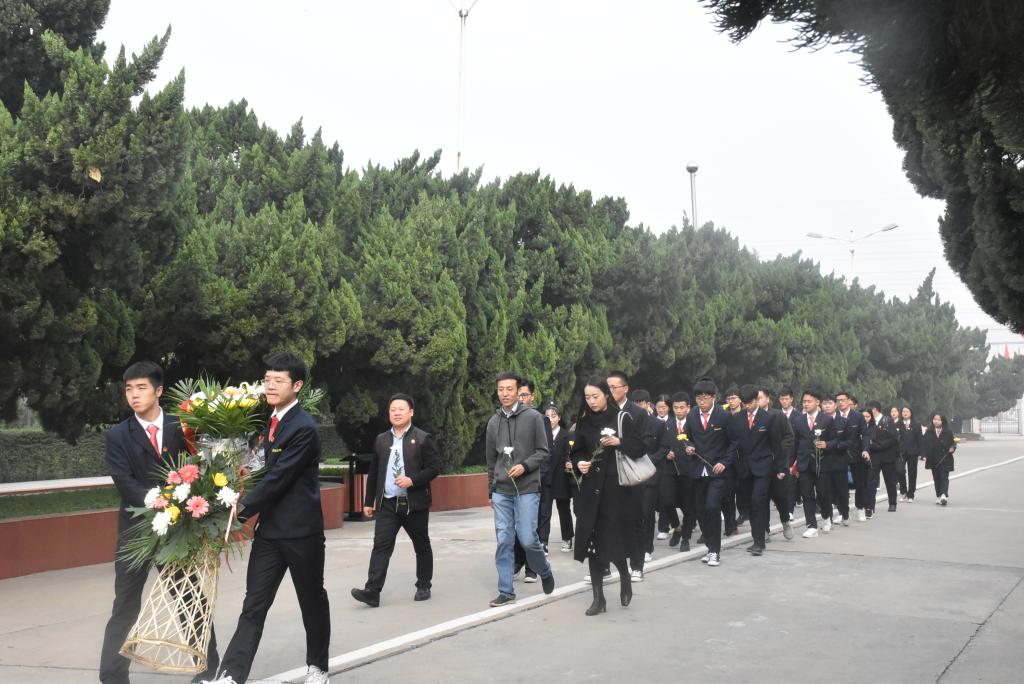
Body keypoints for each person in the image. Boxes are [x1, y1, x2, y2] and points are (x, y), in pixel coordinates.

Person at [211, 352, 330, 684]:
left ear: (297, 385)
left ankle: (318, 668)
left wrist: (237, 512)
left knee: (311, 601)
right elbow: (260, 467)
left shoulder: (304, 428)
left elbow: (278, 479)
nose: (271, 386)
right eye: (267, 380)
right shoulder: (270, 422)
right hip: (270, 533)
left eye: (279, 380)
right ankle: (231, 676)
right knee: (254, 604)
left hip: (302, 533)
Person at [100, 361, 220, 684]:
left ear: (159, 391)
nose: (134, 395)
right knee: (125, 604)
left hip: (178, 531)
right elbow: (124, 482)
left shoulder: (183, 428)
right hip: (136, 531)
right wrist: (162, 502)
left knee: (189, 599)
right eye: (129, 389)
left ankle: (209, 671)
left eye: (141, 388)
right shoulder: (117, 435)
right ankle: (112, 677)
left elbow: (201, 469)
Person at [351, 393, 440, 608]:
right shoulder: (382, 439)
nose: (397, 413)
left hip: (414, 503)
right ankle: (372, 591)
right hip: (388, 503)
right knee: (380, 546)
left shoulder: (422, 438)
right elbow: (374, 472)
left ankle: (423, 585)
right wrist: (369, 501)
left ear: (411, 412)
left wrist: (412, 480)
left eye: (401, 409)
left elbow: (434, 468)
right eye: (393, 410)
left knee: (421, 544)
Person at [571, 376, 646, 615]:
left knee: (613, 542)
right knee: (593, 544)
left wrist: (619, 442)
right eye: (587, 397)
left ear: (606, 394)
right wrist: (579, 463)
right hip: (591, 492)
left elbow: (640, 448)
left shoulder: (622, 418)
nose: (591, 401)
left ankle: (624, 576)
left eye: (595, 396)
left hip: (616, 492)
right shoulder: (583, 422)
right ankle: (598, 598)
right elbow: (576, 451)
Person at [484, 372, 555, 607]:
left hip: (527, 488)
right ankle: (506, 590)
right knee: (504, 539)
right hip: (501, 490)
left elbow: (543, 452)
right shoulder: (493, 422)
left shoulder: (533, 417)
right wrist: (491, 489)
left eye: (509, 389)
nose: (504, 393)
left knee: (527, 538)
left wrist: (525, 466)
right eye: (500, 389)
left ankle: (543, 569)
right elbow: (490, 460)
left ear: (518, 392)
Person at [606, 372, 657, 581]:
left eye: (614, 387)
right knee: (608, 521)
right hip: (608, 474)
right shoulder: (602, 411)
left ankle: (637, 565)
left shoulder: (638, 413)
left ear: (625, 388)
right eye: (607, 387)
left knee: (635, 519)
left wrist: (621, 443)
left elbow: (645, 445)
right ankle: (604, 565)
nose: (610, 391)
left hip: (632, 474)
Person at [683, 377, 737, 567]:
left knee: (712, 506)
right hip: (698, 469)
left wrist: (724, 462)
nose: (701, 401)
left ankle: (715, 551)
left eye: (705, 397)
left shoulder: (724, 416)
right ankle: (710, 546)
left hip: (717, 471)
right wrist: (688, 446)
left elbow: (734, 442)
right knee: (700, 510)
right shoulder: (692, 415)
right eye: (698, 397)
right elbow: (686, 437)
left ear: (713, 397)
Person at [727, 385, 786, 555]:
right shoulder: (736, 419)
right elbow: (733, 443)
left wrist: (781, 467)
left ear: (756, 400)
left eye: (750, 403)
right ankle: (757, 539)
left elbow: (776, 444)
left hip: (763, 467)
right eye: (744, 403)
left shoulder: (768, 418)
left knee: (758, 501)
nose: (747, 406)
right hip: (744, 468)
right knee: (750, 505)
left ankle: (759, 543)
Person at [512, 379, 554, 582]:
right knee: (516, 524)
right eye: (518, 395)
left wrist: (539, 477)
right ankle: (517, 560)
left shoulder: (540, 419)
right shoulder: (508, 419)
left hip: (535, 479)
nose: (521, 399)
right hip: (513, 480)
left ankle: (532, 567)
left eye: (524, 395)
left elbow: (546, 452)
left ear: (532, 397)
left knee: (531, 525)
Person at [790, 389, 831, 538]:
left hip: (822, 464)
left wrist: (827, 444)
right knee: (807, 494)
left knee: (823, 494)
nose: (806, 404)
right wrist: (791, 463)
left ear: (817, 402)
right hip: (804, 463)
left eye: (809, 401)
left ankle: (826, 516)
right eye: (804, 401)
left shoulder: (827, 420)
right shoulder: (798, 420)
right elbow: (795, 444)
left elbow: (835, 440)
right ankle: (811, 525)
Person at [757, 387, 795, 540]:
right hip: (760, 465)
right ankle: (764, 529)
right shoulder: (751, 417)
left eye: (759, 398)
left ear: (767, 399)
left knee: (780, 497)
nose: (756, 401)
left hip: (778, 464)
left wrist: (777, 451)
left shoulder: (778, 415)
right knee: (762, 498)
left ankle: (785, 521)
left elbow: (789, 437)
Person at [664, 392, 697, 551]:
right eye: (676, 407)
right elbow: (662, 444)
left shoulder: (694, 424)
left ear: (688, 408)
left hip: (689, 469)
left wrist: (693, 448)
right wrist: (666, 453)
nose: (678, 410)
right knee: (666, 501)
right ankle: (676, 526)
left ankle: (686, 538)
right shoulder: (667, 424)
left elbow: (702, 443)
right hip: (670, 469)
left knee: (689, 506)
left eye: (682, 407)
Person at [545, 404, 577, 552]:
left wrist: (570, 464)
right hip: (546, 478)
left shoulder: (567, 435)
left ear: (559, 418)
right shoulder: (542, 435)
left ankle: (567, 538)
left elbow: (570, 455)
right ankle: (543, 541)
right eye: (547, 416)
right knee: (544, 512)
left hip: (561, 478)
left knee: (564, 510)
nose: (550, 419)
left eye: (553, 416)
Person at [836, 391, 872, 522]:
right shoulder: (834, 417)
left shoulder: (858, 417)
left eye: (843, 400)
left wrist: (865, 450)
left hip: (856, 454)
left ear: (848, 401)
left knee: (859, 484)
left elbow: (865, 434)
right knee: (840, 485)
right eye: (838, 400)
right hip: (839, 454)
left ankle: (861, 508)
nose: (840, 402)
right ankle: (842, 512)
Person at [867, 400, 901, 514]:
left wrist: (880, 446)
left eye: (869, 409)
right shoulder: (869, 422)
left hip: (887, 456)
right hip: (873, 456)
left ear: (875, 409)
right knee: (871, 481)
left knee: (890, 481)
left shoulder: (887, 420)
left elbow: (894, 438)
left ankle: (892, 503)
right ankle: (870, 506)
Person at [923, 413, 956, 505]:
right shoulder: (929, 432)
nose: (936, 421)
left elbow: (953, 443)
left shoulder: (948, 432)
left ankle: (943, 495)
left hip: (945, 458)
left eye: (938, 420)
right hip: (933, 459)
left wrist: (953, 448)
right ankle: (938, 495)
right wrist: (924, 455)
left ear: (942, 421)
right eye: (935, 419)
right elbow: (924, 444)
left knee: (944, 477)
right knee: (936, 478)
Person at [898, 406, 923, 502]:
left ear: (911, 413)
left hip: (913, 452)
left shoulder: (916, 424)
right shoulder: (898, 424)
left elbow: (920, 439)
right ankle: (903, 491)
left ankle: (911, 494)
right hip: (901, 452)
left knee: (912, 473)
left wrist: (921, 453)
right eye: (903, 411)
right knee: (900, 471)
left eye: (907, 411)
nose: (905, 413)